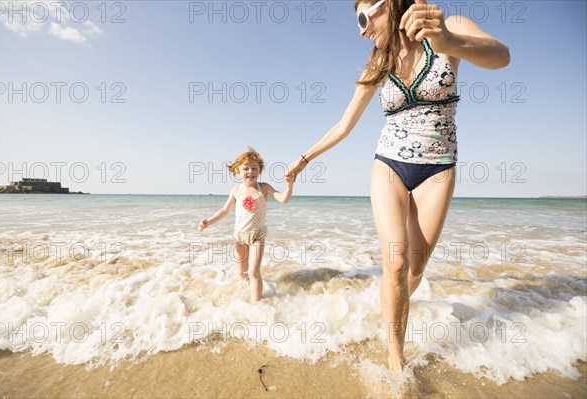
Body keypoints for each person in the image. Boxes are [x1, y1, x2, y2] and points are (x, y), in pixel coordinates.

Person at [286, 0, 509, 370]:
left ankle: (391, 307)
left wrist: (450, 41)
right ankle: (395, 359)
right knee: (396, 261)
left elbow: (502, 57)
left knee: (414, 271)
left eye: (364, 17)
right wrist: (304, 159)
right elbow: (344, 124)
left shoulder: (447, 27)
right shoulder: (379, 60)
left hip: (437, 168)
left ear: (388, 5)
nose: (361, 29)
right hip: (388, 164)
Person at [199, 147, 294, 302]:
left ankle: (257, 304)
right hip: (240, 236)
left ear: (260, 170)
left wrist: (290, 185)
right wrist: (209, 221)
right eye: (246, 168)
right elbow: (225, 210)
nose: (250, 171)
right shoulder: (236, 190)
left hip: (257, 236)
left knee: (254, 271)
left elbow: (284, 199)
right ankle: (247, 291)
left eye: (254, 168)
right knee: (242, 273)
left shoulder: (264, 188)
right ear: (238, 171)